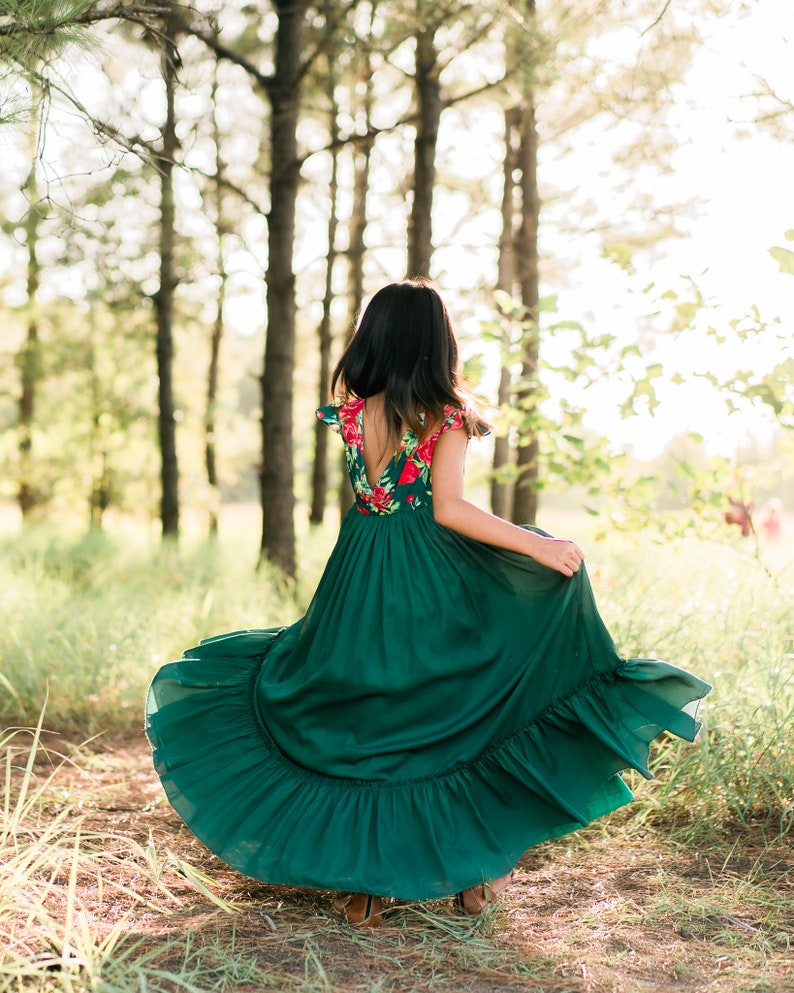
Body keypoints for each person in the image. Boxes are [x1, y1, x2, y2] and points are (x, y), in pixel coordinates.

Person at [145, 278, 711, 928]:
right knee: (451, 709)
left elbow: (380, 498)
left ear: (376, 337)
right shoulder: (447, 415)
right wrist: (536, 545)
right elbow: (449, 508)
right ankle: (470, 875)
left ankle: (365, 890)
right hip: (427, 577)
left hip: (358, 575)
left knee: (372, 715)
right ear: (438, 342)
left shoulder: (351, 415)